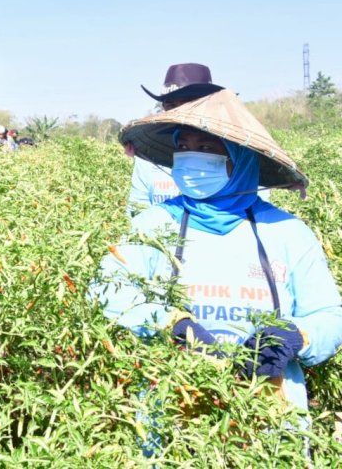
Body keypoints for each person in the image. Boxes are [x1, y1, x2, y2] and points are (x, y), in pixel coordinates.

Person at [95, 88, 342, 422]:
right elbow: (106, 288)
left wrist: (296, 335)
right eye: (183, 147)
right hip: (173, 407)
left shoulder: (286, 231)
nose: (191, 158)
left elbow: (329, 314)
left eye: (207, 148)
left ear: (241, 159)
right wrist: (171, 323)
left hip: (269, 411)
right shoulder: (155, 223)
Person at [128, 63, 224, 215]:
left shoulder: (229, 150)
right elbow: (137, 211)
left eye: (189, 103)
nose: (179, 113)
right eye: (171, 104)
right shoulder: (148, 159)